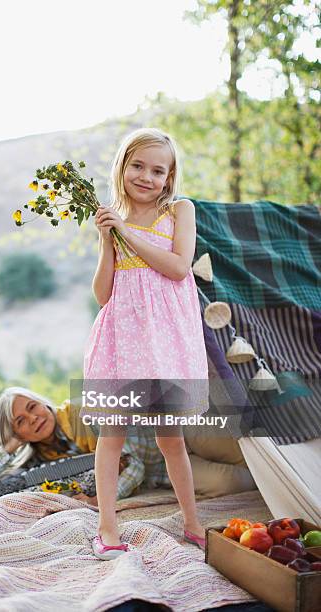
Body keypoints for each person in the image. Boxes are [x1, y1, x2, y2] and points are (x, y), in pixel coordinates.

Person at [84, 127, 210, 559]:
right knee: (111, 433)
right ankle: (107, 528)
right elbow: (103, 295)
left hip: (165, 340)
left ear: (169, 178)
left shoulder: (179, 210)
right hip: (123, 339)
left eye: (158, 170)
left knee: (170, 436)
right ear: (122, 167)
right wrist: (107, 240)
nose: (146, 176)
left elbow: (178, 268)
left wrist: (126, 233)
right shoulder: (111, 220)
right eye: (137, 165)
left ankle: (193, 523)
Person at [0, 387, 255, 503]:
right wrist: (8, 449)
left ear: (44, 403)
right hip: (162, 470)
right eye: (21, 421)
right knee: (235, 482)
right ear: (17, 433)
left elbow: (134, 466)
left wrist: (100, 500)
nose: (33, 418)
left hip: (175, 432)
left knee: (244, 450)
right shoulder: (48, 462)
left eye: (33, 407)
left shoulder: (83, 413)